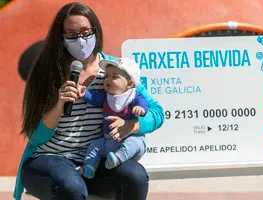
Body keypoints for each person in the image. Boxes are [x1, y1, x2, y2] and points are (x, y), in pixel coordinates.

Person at [13, 2, 164, 200]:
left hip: (93, 160)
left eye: (85, 32)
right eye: (71, 34)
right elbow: (36, 137)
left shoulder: (115, 71)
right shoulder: (46, 73)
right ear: (60, 38)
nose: (80, 40)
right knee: (72, 188)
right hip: (49, 159)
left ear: (96, 31)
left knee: (135, 177)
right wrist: (59, 105)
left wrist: (132, 126)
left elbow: (157, 112)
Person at [76, 57, 149, 179]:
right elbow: (95, 98)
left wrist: (140, 108)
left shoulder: (134, 96)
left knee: (134, 143)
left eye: (114, 77)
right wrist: (85, 93)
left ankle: (117, 159)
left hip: (129, 139)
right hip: (109, 141)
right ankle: (89, 167)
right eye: (106, 76)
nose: (108, 79)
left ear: (130, 83)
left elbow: (143, 103)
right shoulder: (106, 95)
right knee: (95, 146)